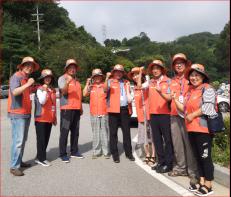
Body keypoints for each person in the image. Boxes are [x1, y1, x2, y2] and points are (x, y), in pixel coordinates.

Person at [173, 64, 216, 196]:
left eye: (197, 75)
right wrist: (175, 99)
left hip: (203, 129)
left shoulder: (208, 89)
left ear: (203, 76)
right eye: (192, 75)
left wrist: (192, 115)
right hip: (191, 128)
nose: (194, 77)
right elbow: (184, 109)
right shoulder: (190, 91)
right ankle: (202, 181)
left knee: (205, 157)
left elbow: (208, 107)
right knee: (197, 157)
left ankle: (209, 185)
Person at [168, 53, 199, 184]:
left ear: (187, 65)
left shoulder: (191, 79)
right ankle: (180, 168)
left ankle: (193, 172)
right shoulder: (172, 80)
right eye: (176, 63)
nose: (179, 65)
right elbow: (169, 97)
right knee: (178, 144)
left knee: (189, 144)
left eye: (181, 62)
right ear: (174, 66)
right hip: (174, 115)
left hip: (188, 116)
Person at [8, 56, 39, 176]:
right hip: (17, 113)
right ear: (22, 66)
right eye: (27, 65)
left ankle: (19, 161)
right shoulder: (16, 77)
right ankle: (14, 166)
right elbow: (15, 91)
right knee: (18, 140)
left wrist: (31, 85)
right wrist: (28, 84)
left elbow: (27, 95)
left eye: (31, 66)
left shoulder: (26, 79)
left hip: (26, 113)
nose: (29, 67)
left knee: (23, 140)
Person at [105, 64, 135, 163]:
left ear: (122, 73)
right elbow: (105, 89)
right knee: (113, 133)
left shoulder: (126, 82)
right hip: (113, 110)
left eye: (120, 71)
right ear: (113, 72)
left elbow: (129, 95)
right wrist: (106, 78)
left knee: (126, 132)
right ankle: (115, 154)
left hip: (124, 110)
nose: (118, 73)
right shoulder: (110, 81)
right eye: (116, 71)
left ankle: (129, 153)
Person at [148, 59, 174, 173]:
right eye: (153, 68)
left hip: (165, 114)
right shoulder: (151, 82)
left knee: (168, 140)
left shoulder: (168, 81)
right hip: (153, 114)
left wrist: (160, 92)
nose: (155, 70)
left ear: (162, 69)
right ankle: (161, 161)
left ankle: (169, 164)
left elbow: (169, 98)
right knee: (157, 140)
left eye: (157, 68)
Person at [127, 67, 155, 166]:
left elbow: (142, 85)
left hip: (149, 114)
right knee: (144, 136)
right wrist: (127, 89)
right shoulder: (134, 88)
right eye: (133, 75)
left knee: (152, 135)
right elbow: (129, 100)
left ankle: (153, 155)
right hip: (141, 115)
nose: (135, 77)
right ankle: (147, 154)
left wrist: (142, 72)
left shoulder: (148, 83)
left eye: (137, 74)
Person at [58, 59, 83, 163]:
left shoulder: (77, 81)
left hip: (76, 109)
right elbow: (63, 92)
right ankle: (63, 154)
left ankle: (74, 151)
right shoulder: (62, 78)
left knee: (75, 132)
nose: (72, 69)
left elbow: (80, 96)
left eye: (74, 68)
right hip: (66, 109)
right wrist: (67, 82)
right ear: (67, 68)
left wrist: (81, 107)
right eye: (70, 67)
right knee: (64, 132)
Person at [83, 68, 110, 159]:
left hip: (104, 112)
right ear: (93, 77)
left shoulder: (104, 85)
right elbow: (84, 94)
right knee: (95, 133)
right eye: (95, 76)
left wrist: (107, 78)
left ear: (101, 77)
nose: (97, 78)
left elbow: (107, 90)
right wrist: (87, 83)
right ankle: (96, 151)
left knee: (104, 132)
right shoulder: (91, 86)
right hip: (94, 112)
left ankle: (106, 151)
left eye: (99, 76)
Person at [34, 69, 57, 167]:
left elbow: (53, 105)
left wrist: (54, 117)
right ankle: (41, 159)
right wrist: (45, 89)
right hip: (41, 118)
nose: (48, 78)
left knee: (46, 139)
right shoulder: (40, 89)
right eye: (45, 77)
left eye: (49, 77)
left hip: (49, 118)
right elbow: (42, 101)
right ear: (42, 79)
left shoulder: (52, 89)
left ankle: (39, 156)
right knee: (41, 139)